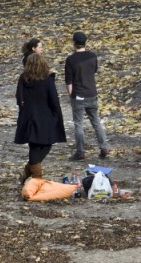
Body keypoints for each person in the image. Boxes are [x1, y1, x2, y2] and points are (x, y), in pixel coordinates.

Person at [14, 53, 67, 183]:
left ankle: (28, 171)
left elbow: (19, 98)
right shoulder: (47, 80)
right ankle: (37, 180)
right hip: (45, 117)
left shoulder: (23, 78)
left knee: (37, 146)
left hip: (28, 117)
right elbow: (54, 100)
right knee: (41, 146)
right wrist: (56, 116)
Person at [64, 31, 110, 161]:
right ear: (85, 42)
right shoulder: (92, 56)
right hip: (92, 93)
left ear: (74, 43)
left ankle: (81, 151)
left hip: (78, 94)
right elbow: (94, 70)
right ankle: (104, 146)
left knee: (78, 124)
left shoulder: (71, 60)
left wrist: (71, 96)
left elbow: (69, 81)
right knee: (95, 121)